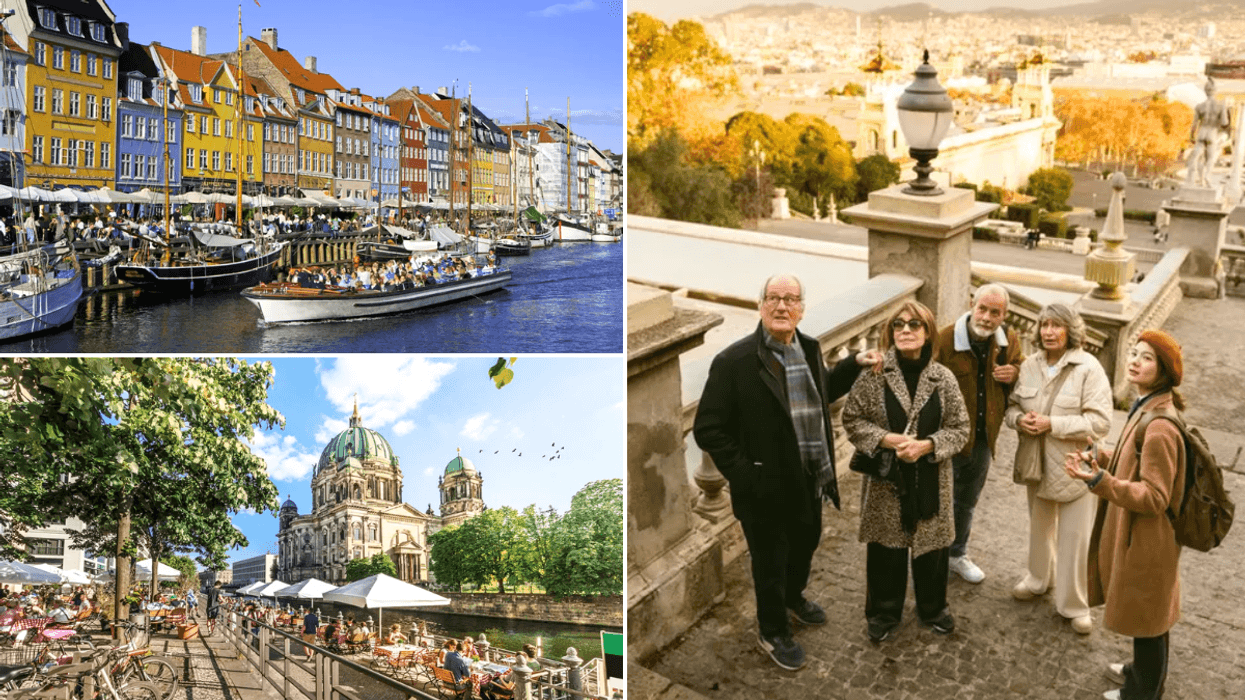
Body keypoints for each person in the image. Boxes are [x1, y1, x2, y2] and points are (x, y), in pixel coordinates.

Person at [693, 273, 881, 670]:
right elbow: (708, 427)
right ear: (761, 306)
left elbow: (819, 393)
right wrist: (747, 475)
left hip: (810, 478)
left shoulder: (809, 348)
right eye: (774, 298)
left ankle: (793, 598)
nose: (782, 306)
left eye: (790, 299)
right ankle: (772, 630)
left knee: (805, 546)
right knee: (770, 564)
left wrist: (853, 364)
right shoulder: (734, 362)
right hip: (764, 489)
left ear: (801, 308)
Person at [1065, 331, 1188, 700]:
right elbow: (1133, 464)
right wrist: (1101, 457)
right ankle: (1140, 672)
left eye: (1147, 357)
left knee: (1149, 619)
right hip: (1142, 534)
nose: (1134, 360)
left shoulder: (1160, 427)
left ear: (1164, 371)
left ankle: (1142, 692)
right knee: (1148, 612)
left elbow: (1154, 496)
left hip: (1149, 538)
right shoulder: (1148, 407)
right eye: (1134, 353)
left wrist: (1100, 481)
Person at [842, 300, 969, 643]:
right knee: (886, 549)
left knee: (932, 550)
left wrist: (927, 445)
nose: (906, 330)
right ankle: (883, 613)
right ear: (891, 332)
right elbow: (851, 419)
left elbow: (960, 428)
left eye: (915, 325)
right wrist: (885, 438)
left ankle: (933, 608)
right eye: (899, 325)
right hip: (888, 482)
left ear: (928, 332)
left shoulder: (942, 378)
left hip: (931, 479)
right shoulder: (875, 373)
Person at [1005, 304, 1112, 635]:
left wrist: (1053, 423)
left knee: (1074, 538)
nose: (1048, 332)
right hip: (1036, 462)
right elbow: (1011, 407)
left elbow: (1101, 422)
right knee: (1039, 528)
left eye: (1056, 326)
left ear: (1071, 330)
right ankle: (1038, 579)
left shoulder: (1089, 369)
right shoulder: (1030, 365)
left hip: (1075, 466)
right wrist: (1020, 420)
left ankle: (1075, 605)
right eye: (1044, 325)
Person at [934, 284, 1023, 583]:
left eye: (994, 312)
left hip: (983, 438)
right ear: (972, 304)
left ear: (1004, 315)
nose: (986, 317)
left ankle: (957, 554)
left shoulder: (1009, 341)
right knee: (936, 499)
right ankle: (930, 556)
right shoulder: (945, 339)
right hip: (946, 438)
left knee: (966, 501)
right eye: (982, 309)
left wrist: (1016, 374)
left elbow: (1023, 372)